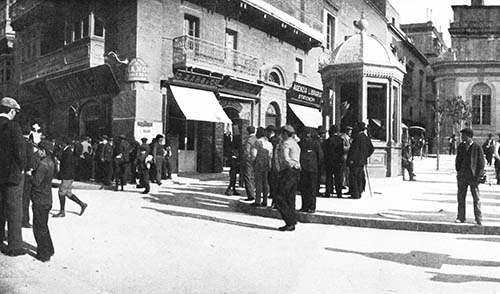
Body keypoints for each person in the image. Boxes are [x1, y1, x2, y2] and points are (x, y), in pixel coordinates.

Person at [0, 97, 26, 256]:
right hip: (12, 176)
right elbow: (20, 152)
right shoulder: (13, 127)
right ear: (11, 111)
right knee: (15, 209)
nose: (15, 114)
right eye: (15, 111)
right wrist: (22, 168)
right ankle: (15, 246)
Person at [30, 140, 56, 262]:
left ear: (43, 151)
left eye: (39, 150)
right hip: (47, 198)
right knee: (43, 225)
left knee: (38, 227)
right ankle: (49, 249)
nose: (38, 152)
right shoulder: (51, 162)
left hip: (39, 199)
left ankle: (43, 254)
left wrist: (30, 174)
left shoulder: (42, 164)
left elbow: (36, 182)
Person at [455, 127, 484, 225]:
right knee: (461, 197)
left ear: (469, 136)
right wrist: (458, 172)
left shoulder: (477, 147)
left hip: (473, 177)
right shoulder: (460, 147)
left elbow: (481, 163)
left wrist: (479, 175)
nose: (462, 137)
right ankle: (461, 217)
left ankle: (478, 218)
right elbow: (458, 160)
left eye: (464, 135)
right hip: (463, 176)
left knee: (476, 198)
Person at [53, 138, 88, 218]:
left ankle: (62, 211)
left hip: (67, 175)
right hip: (70, 175)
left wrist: (61, 175)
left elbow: (66, 164)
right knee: (68, 193)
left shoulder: (67, 152)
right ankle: (82, 204)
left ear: (64, 143)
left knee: (61, 192)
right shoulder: (69, 151)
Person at [275, 125, 301, 231]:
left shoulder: (286, 143)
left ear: (285, 134)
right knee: (290, 197)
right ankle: (292, 221)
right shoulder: (295, 143)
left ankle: (289, 221)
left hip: (288, 171)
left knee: (279, 196)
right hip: (297, 171)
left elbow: (286, 158)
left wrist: (289, 165)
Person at [346, 122, 374, 199]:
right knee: (360, 176)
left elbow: (353, 150)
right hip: (362, 161)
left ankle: (355, 193)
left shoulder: (357, 138)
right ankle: (359, 191)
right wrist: (365, 156)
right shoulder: (366, 138)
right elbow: (371, 149)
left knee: (354, 177)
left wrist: (350, 160)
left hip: (355, 161)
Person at [298, 127, 323, 212]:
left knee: (305, 188)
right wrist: (318, 166)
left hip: (305, 168)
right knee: (311, 188)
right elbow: (320, 155)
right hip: (312, 168)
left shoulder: (301, 143)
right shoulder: (315, 142)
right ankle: (311, 206)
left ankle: (305, 206)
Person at [22, 126, 39, 228]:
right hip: (27, 175)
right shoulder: (29, 145)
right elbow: (31, 162)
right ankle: (25, 220)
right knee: (25, 199)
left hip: (15, 173)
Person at [252, 127, 273, 207]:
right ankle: (265, 201)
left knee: (258, 183)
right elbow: (271, 155)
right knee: (265, 182)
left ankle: (257, 201)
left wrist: (253, 162)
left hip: (259, 163)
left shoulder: (258, 142)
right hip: (267, 164)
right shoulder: (269, 143)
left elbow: (254, 154)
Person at [322, 125, 344, 198]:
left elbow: (325, 152)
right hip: (338, 161)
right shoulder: (340, 140)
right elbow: (341, 151)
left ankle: (328, 192)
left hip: (329, 161)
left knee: (329, 177)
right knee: (338, 177)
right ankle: (339, 193)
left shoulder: (328, 141)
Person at [242, 126, 257, 201]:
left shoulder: (248, 140)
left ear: (248, 131)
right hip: (255, 159)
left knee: (247, 176)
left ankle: (250, 195)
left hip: (248, 160)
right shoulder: (256, 139)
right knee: (253, 177)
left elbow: (246, 151)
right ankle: (254, 192)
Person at [266, 125, 280, 202]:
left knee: (272, 179)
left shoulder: (272, 139)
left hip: (273, 161)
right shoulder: (278, 139)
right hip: (275, 162)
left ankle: (272, 193)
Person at [340, 126, 353, 193]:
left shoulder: (349, 138)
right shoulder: (343, 137)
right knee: (344, 171)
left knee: (347, 171)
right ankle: (343, 183)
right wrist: (350, 148)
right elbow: (342, 147)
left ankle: (345, 183)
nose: (350, 132)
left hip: (348, 156)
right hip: (344, 156)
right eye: (349, 131)